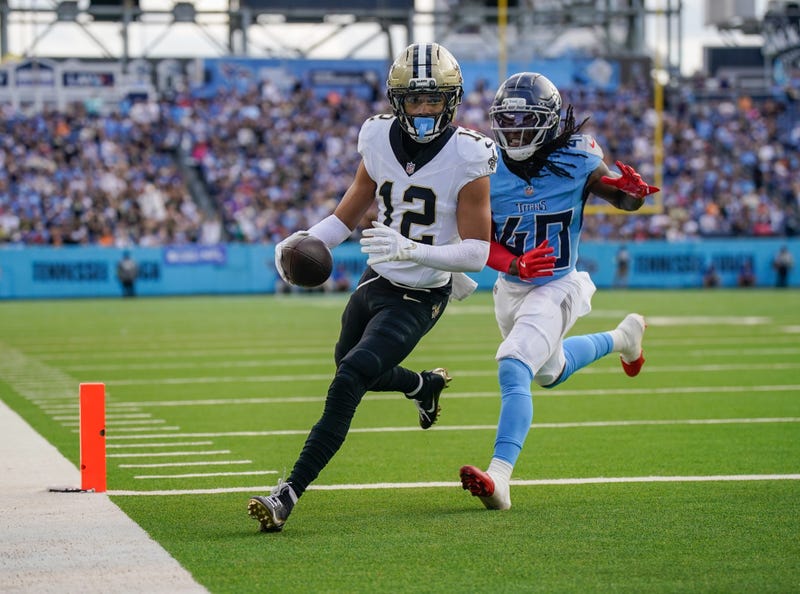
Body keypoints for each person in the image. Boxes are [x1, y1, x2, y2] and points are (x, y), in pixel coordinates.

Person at [248, 42, 497, 532]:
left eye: (433, 99)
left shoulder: (470, 154)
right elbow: (351, 209)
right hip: (377, 279)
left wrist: (414, 250)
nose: (424, 108)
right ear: (395, 99)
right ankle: (423, 385)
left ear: (452, 99)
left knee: (349, 379)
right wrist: (301, 241)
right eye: (414, 98)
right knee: (351, 368)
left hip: (423, 291)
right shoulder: (376, 137)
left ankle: (287, 494)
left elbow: (477, 253)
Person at [458, 72, 657, 510]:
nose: (513, 130)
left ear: (548, 121)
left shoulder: (577, 157)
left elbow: (619, 198)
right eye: (506, 121)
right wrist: (512, 263)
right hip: (511, 288)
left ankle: (500, 476)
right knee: (549, 371)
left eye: (525, 119)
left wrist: (633, 195)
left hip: (558, 284)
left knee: (514, 365)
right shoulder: (484, 165)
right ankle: (624, 338)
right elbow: (474, 242)